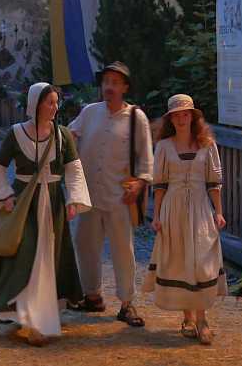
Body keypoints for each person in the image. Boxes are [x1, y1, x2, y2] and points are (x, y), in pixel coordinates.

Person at [0, 82, 91, 346]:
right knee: (26, 257)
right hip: (25, 202)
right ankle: (30, 317)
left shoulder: (62, 135)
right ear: (35, 104)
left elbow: (74, 169)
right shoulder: (16, 133)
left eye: (56, 102)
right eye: (49, 102)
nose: (55, 107)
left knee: (49, 257)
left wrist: (74, 200)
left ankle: (40, 317)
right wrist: (5, 195)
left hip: (53, 202)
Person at [68, 61, 153, 327]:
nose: (109, 87)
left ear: (125, 87)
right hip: (89, 194)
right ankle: (92, 295)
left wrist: (140, 183)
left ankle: (127, 303)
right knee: (85, 244)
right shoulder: (89, 112)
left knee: (122, 250)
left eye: (115, 83)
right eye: (106, 82)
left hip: (120, 196)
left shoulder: (137, 117)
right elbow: (69, 136)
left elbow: (146, 158)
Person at [144, 95, 227, 345]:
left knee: (201, 260)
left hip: (201, 208)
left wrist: (219, 212)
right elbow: (160, 184)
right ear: (170, 119)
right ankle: (188, 318)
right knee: (180, 259)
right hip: (174, 208)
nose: (181, 119)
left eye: (185, 114)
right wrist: (157, 216)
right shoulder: (164, 146)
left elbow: (214, 182)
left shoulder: (207, 145)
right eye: (176, 115)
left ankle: (203, 320)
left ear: (193, 117)